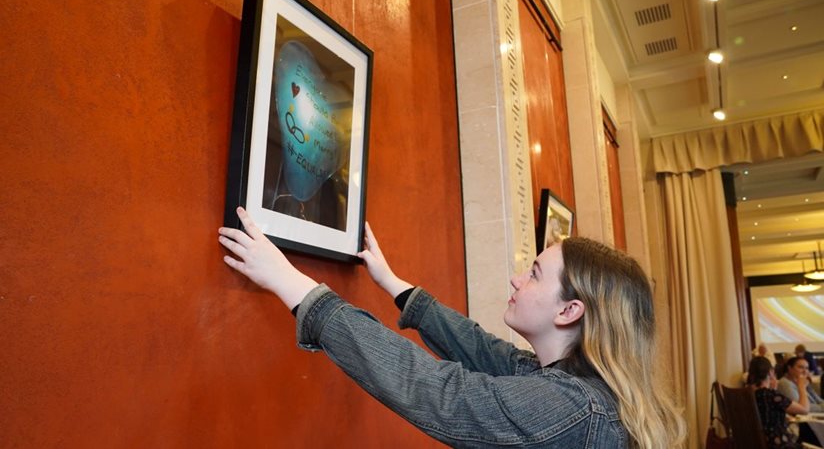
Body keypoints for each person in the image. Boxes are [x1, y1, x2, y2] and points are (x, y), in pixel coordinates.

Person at [217, 207, 686, 448]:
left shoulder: (570, 405)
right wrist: (395, 285)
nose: (516, 278)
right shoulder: (576, 387)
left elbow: (438, 392)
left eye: (535, 274)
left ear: (569, 312)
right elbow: (482, 350)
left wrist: (294, 286)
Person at [747, 356, 809, 449]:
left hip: (759, 442)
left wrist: (773, 389)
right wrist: (801, 387)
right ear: (770, 372)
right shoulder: (770, 395)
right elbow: (805, 410)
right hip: (779, 444)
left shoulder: (750, 393)